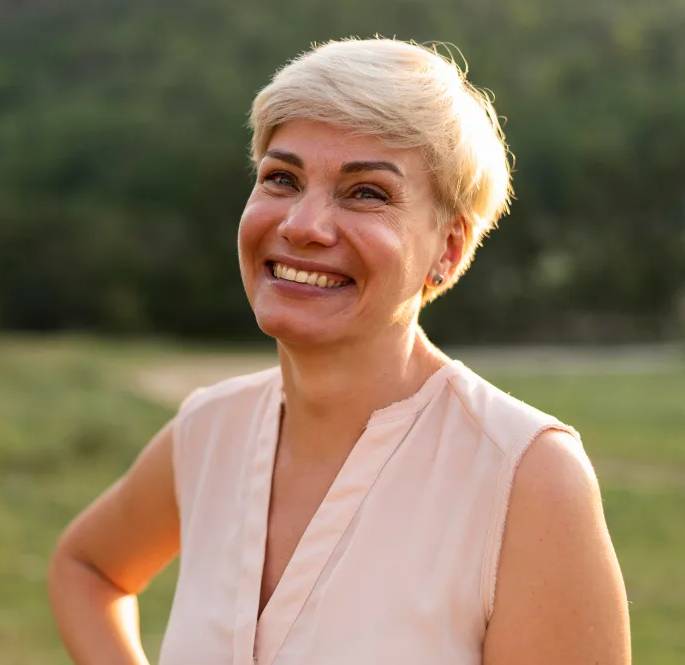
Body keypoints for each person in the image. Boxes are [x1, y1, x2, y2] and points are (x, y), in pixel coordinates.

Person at [49, 38, 631, 665]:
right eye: (282, 178)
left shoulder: (525, 477)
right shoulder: (208, 433)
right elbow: (87, 569)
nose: (302, 224)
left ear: (450, 249)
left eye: (366, 193)